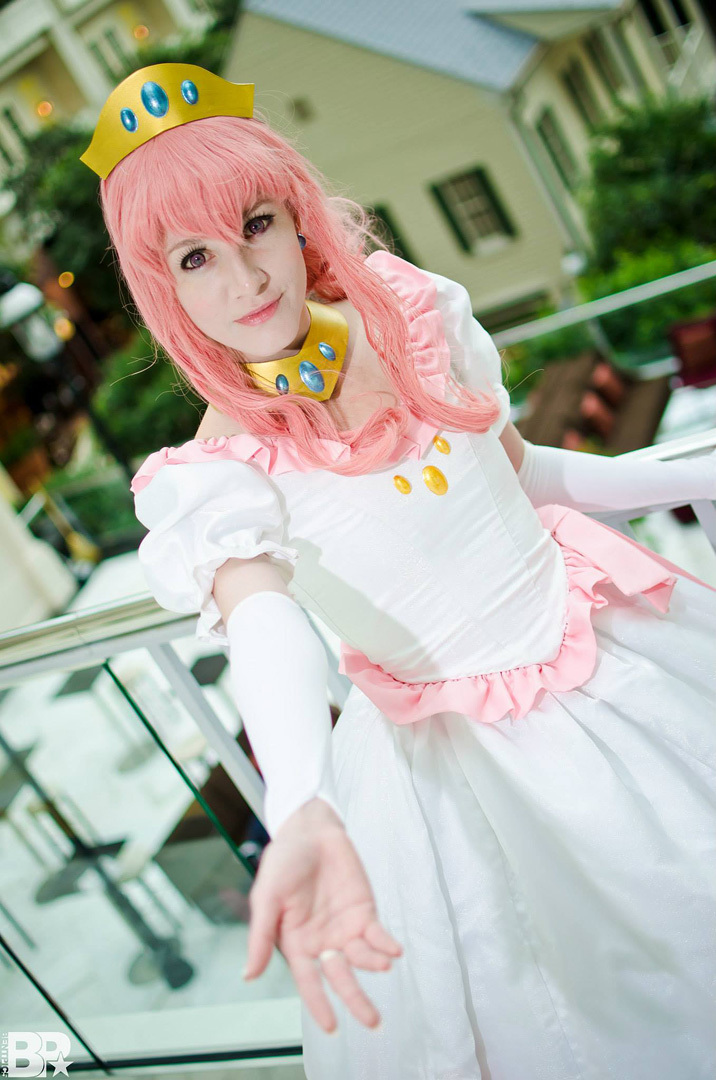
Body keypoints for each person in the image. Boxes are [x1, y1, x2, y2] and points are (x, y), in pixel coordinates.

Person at [81, 63, 716, 1079]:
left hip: (611, 653)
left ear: (296, 217)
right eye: (194, 257)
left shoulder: (410, 309)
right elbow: (265, 625)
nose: (244, 280)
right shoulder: (218, 472)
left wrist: (688, 475)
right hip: (468, 772)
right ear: (165, 288)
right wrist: (299, 799)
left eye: (254, 225)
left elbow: (517, 474)